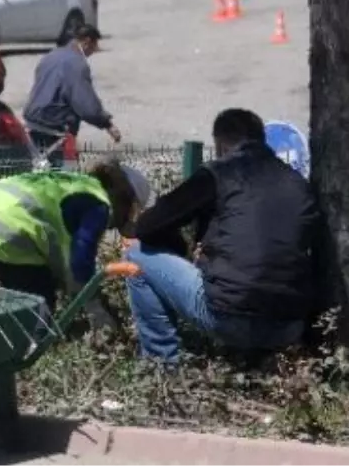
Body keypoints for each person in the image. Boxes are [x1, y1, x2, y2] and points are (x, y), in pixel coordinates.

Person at [123, 109, 325, 364]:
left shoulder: (220, 172)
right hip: (289, 325)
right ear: (262, 140)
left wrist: (183, 247)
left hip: (228, 317)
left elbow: (147, 226)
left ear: (219, 143)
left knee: (136, 254)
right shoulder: (300, 185)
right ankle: (253, 362)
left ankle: (161, 364)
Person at [0, 162, 148, 313]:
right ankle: (31, 351)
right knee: (39, 300)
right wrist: (93, 304)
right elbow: (81, 256)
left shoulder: (78, 184)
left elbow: (63, 255)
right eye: (132, 211)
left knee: (19, 291)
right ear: (124, 198)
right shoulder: (99, 205)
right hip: (2, 228)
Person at [23, 24, 120, 164]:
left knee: (37, 167)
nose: (92, 52)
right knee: (66, 174)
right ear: (87, 42)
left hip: (32, 121)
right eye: (94, 47)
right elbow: (86, 104)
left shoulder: (51, 56)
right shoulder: (77, 64)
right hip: (55, 126)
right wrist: (107, 124)